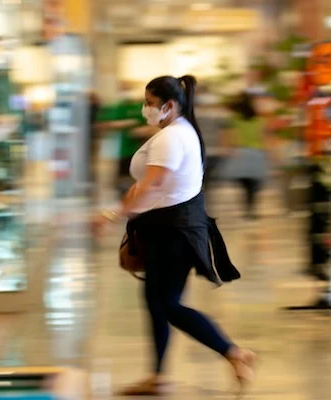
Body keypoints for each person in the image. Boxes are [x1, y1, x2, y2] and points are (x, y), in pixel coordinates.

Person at [95, 75, 256, 396]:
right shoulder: (176, 132)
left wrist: (113, 216)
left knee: (168, 304)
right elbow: (148, 185)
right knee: (156, 303)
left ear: (168, 106)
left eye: (149, 104)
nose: (145, 110)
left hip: (173, 232)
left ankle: (234, 353)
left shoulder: (172, 138)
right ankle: (158, 377)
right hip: (167, 227)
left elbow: (151, 185)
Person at [221, 92, 270, 220]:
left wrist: (229, 149)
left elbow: (230, 136)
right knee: (254, 184)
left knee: (244, 183)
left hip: (240, 153)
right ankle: (251, 207)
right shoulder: (259, 120)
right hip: (256, 153)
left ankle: (247, 207)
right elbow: (263, 137)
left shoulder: (233, 119)